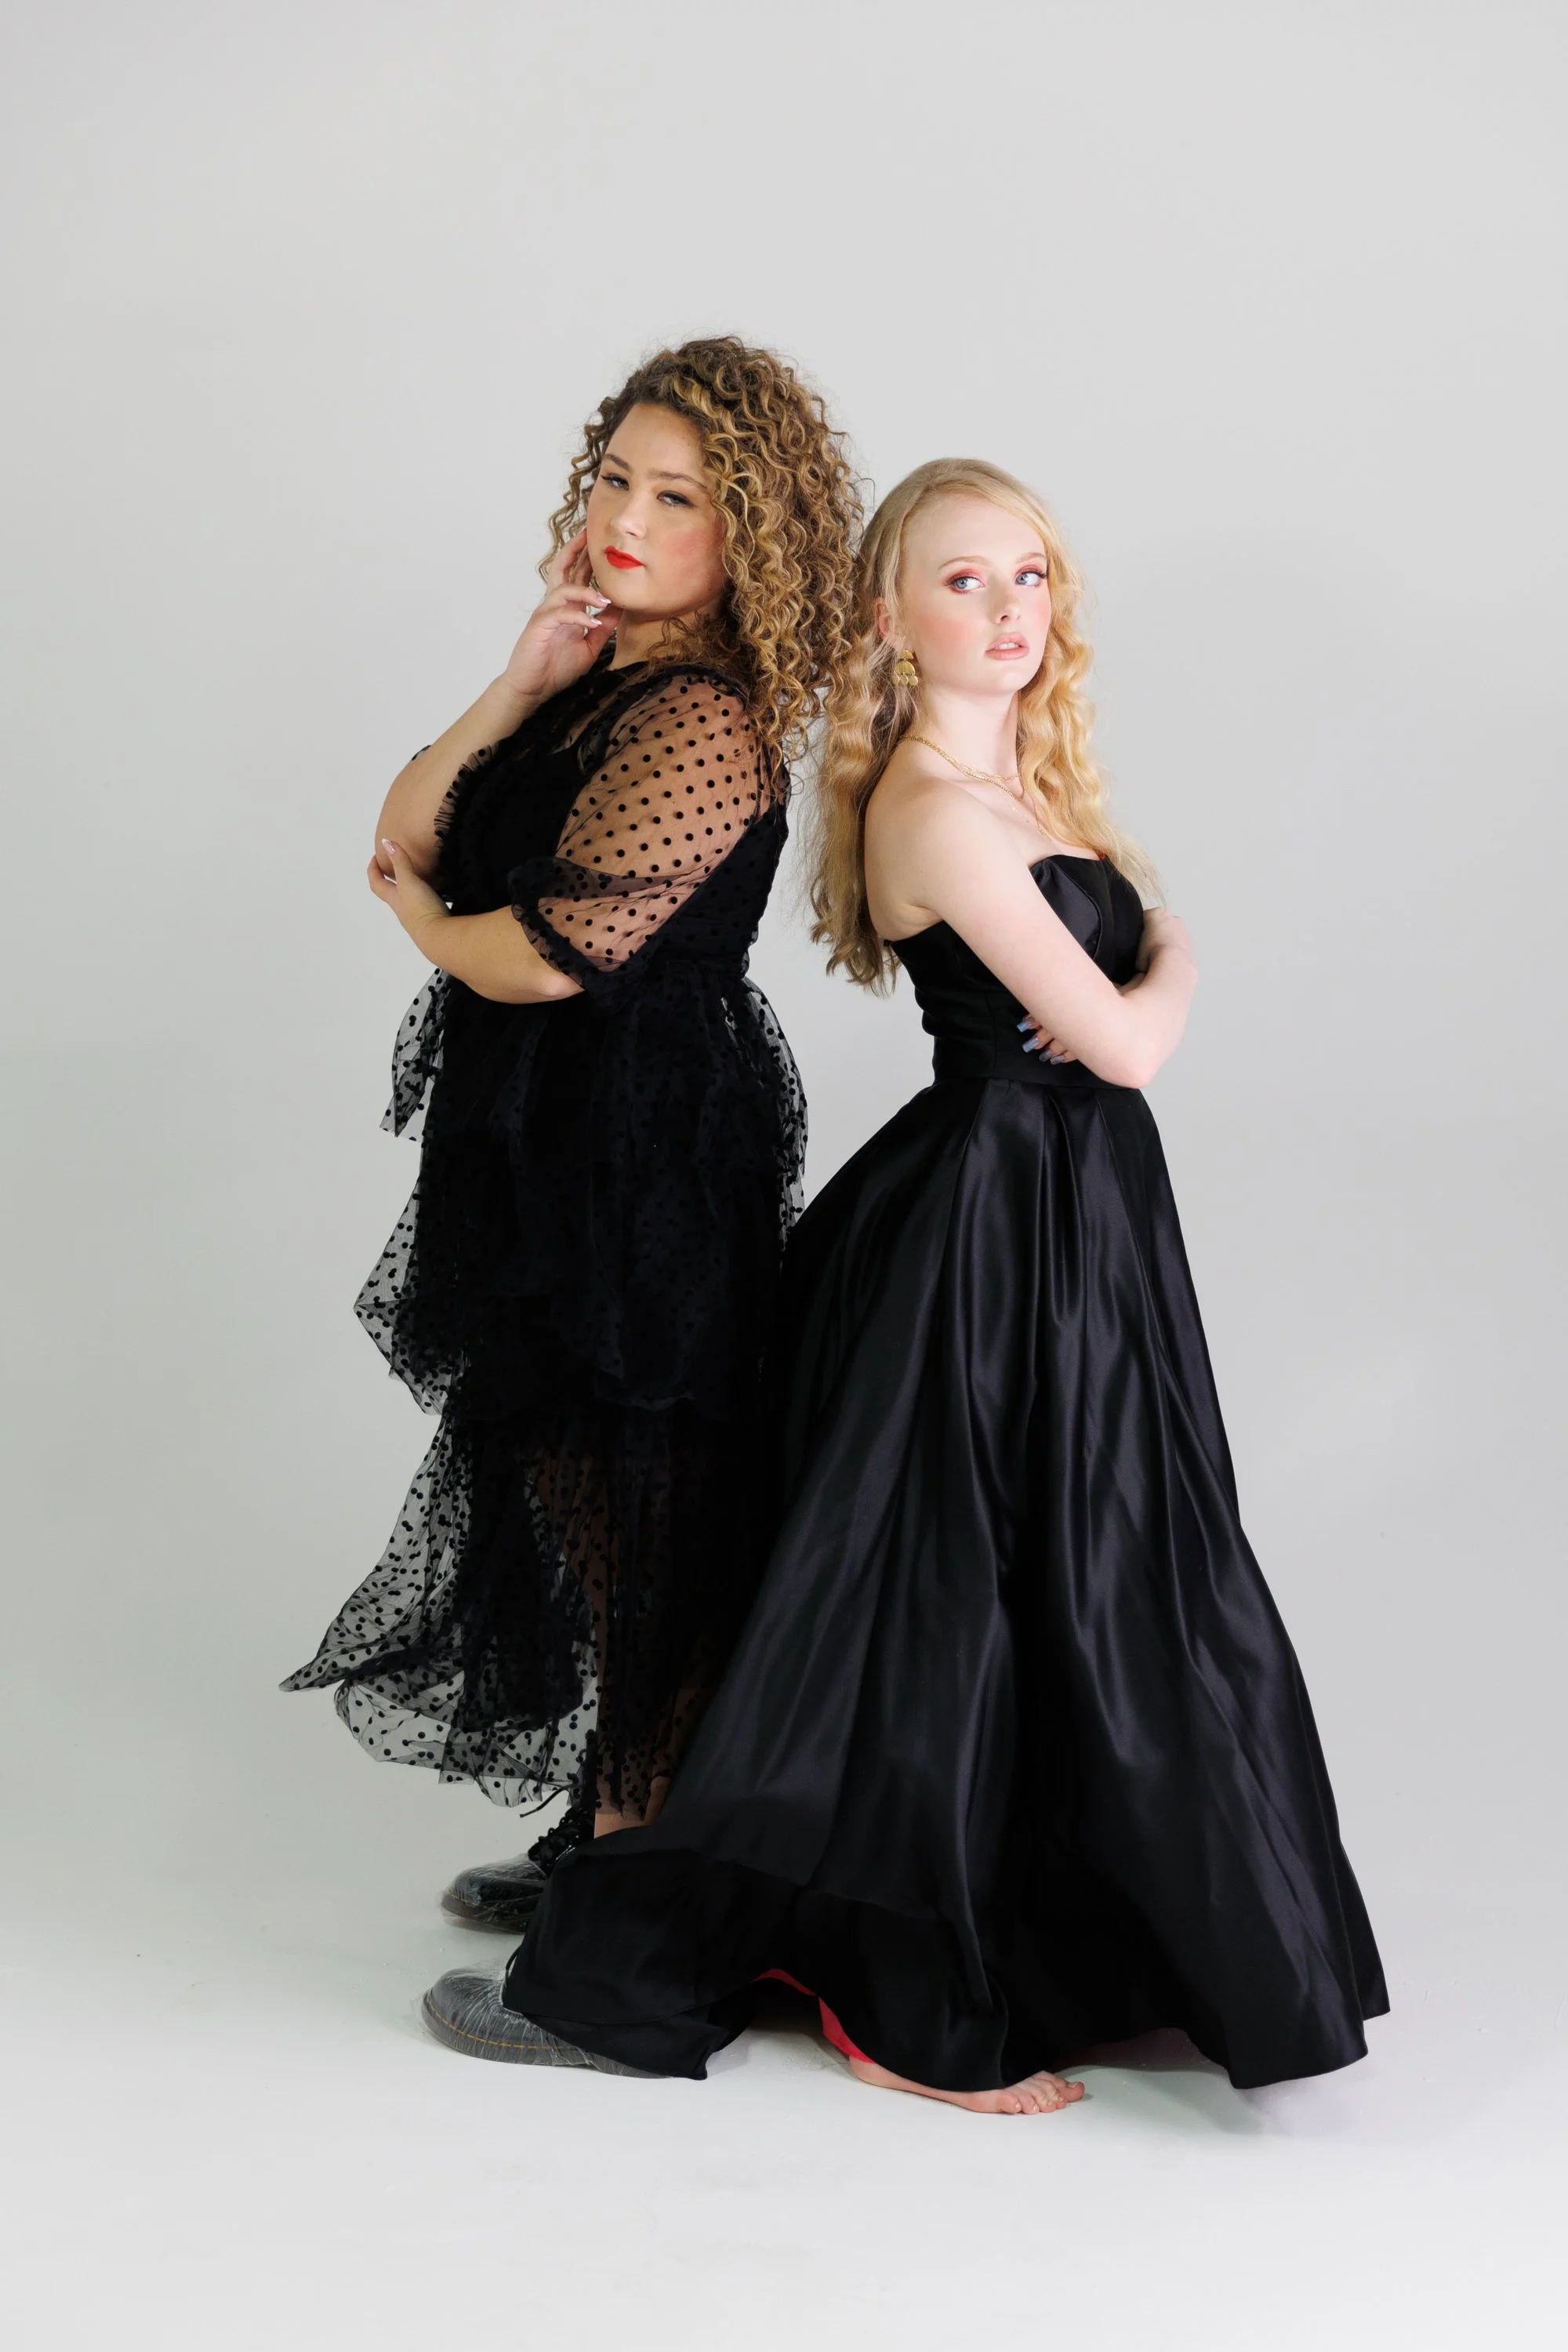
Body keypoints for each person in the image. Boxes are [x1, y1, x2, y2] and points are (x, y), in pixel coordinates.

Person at [421, 457, 1388, 2114]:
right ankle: (894, 1987)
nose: (1009, 613)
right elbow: (1127, 1043)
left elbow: (1096, 1042)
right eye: (963, 583)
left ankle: (1034, 1929)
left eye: (1028, 578)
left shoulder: (1010, 793)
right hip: (991, 1225)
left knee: (1068, 1575)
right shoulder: (936, 811)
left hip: (1065, 1220)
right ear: (889, 616)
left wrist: (1131, 942)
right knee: (939, 1594)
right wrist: (1178, 947)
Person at [284, 339, 862, 1929]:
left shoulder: (708, 724)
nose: (628, 516)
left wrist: (424, 925)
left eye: (677, 497)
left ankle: (640, 1887)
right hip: (542, 1144)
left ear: (743, 533)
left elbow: (546, 954)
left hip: (643, 1152)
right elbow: (407, 824)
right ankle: (618, 1836)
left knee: (642, 1506)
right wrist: (523, 673)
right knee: (573, 1487)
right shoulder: (598, 681)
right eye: (616, 476)